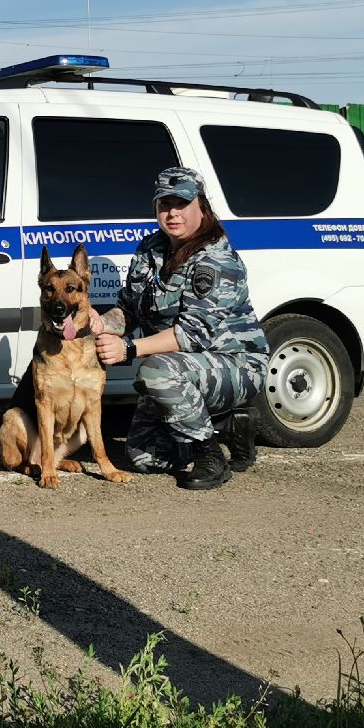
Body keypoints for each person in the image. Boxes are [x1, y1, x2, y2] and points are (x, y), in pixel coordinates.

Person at [92, 166, 267, 490]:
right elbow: (129, 310)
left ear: (201, 206)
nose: (172, 213)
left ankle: (210, 455)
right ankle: (227, 424)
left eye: (182, 203)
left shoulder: (216, 260)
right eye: (165, 204)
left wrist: (128, 349)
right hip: (180, 369)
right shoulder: (150, 249)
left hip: (237, 365)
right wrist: (100, 323)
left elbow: (191, 335)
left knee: (156, 371)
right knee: (146, 458)